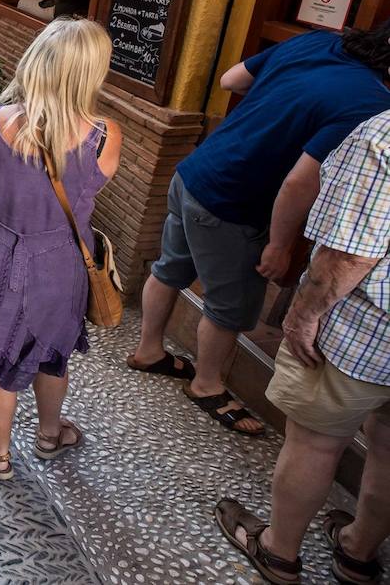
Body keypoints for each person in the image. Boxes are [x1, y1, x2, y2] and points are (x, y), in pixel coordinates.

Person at [127, 22, 390, 436]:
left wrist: (279, 109)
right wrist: (281, 246)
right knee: (229, 307)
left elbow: (231, 79)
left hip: (195, 173)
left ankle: (148, 350)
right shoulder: (372, 104)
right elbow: (298, 183)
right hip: (233, 205)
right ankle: (207, 386)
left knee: (169, 268)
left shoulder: (320, 40)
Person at [0, 19, 122, 481]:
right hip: (61, 262)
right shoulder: (105, 135)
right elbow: (95, 182)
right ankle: (48, 434)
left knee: (0, 354)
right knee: (51, 350)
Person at [215, 110, 390, 585]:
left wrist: (304, 313)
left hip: (364, 332)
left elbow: (351, 252)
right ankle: (357, 552)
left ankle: (278, 552)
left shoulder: (383, 134)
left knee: (316, 442)